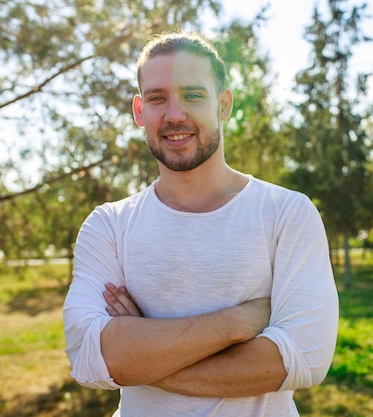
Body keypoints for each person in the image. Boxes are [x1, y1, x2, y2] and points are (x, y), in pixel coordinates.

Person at [63, 31, 339, 417]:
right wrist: (242, 320)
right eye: (158, 98)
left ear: (223, 105)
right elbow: (87, 357)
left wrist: (142, 354)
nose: (175, 114)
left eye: (193, 95)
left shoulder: (286, 212)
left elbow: (303, 359)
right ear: (140, 112)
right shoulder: (109, 224)